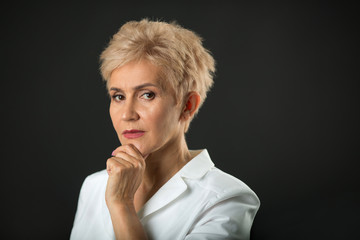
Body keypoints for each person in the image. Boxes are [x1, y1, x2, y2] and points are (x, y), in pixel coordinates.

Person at [70, 19, 260, 240]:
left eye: (147, 94)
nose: (127, 114)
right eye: (118, 96)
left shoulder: (226, 198)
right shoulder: (93, 186)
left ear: (187, 105)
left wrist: (121, 205)